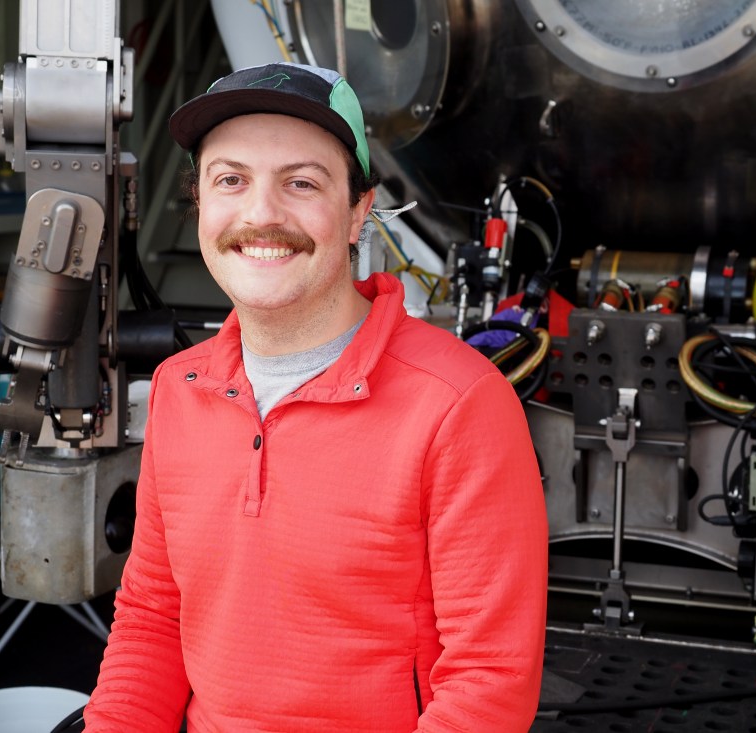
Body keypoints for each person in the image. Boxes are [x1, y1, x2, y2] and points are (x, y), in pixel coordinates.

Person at [83, 61, 549, 732]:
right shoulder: (178, 388)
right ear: (201, 204)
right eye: (231, 180)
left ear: (359, 212)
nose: (261, 213)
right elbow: (154, 619)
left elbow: (488, 684)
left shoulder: (459, 405)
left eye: (300, 182)